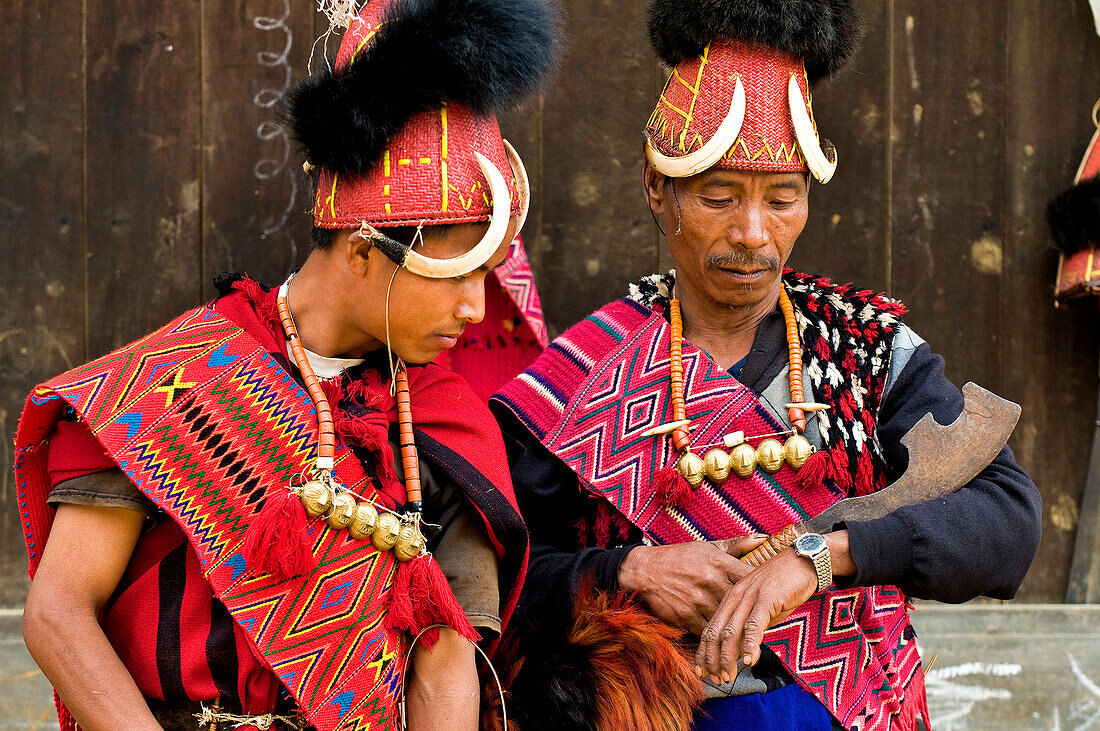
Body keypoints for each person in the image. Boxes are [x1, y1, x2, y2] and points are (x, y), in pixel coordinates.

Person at [490, 1, 1042, 729]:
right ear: (660, 188)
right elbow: (497, 578)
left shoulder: (866, 353)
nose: (753, 235)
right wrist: (627, 571)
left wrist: (826, 554)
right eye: (719, 197)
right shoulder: (587, 373)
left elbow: (1009, 520)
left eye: (783, 199)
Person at [15, 0, 558, 729]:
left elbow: (443, 659)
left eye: (487, 272)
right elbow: (58, 613)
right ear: (364, 250)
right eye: (454, 272)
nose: (474, 304)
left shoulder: (444, 425)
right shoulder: (178, 382)